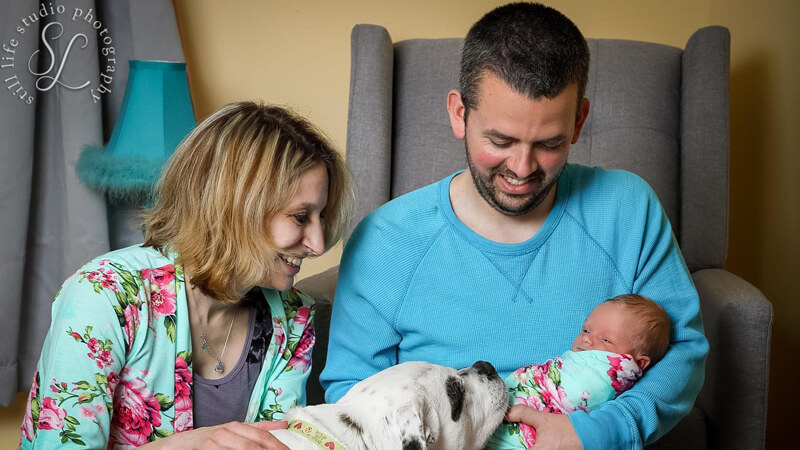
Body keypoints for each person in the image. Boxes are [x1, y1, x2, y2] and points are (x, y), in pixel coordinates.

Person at [320, 2, 707, 449]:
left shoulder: (627, 207)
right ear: (459, 114)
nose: (522, 169)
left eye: (548, 144)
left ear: (579, 121)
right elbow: (351, 397)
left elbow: (683, 351)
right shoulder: (385, 241)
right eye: (500, 141)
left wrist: (596, 434)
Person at [19, 102, 353, 449]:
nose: (317, 244)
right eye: (300, 217)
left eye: (322, 217)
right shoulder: (105, 295)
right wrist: (184, 445)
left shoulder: (293, 317)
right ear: (233, 206)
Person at [487, 294, 670, 449]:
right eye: (586, 330)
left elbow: (572, 393)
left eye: (606, 340)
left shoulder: (605, 374)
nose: (588, 340)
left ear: (638, 362)